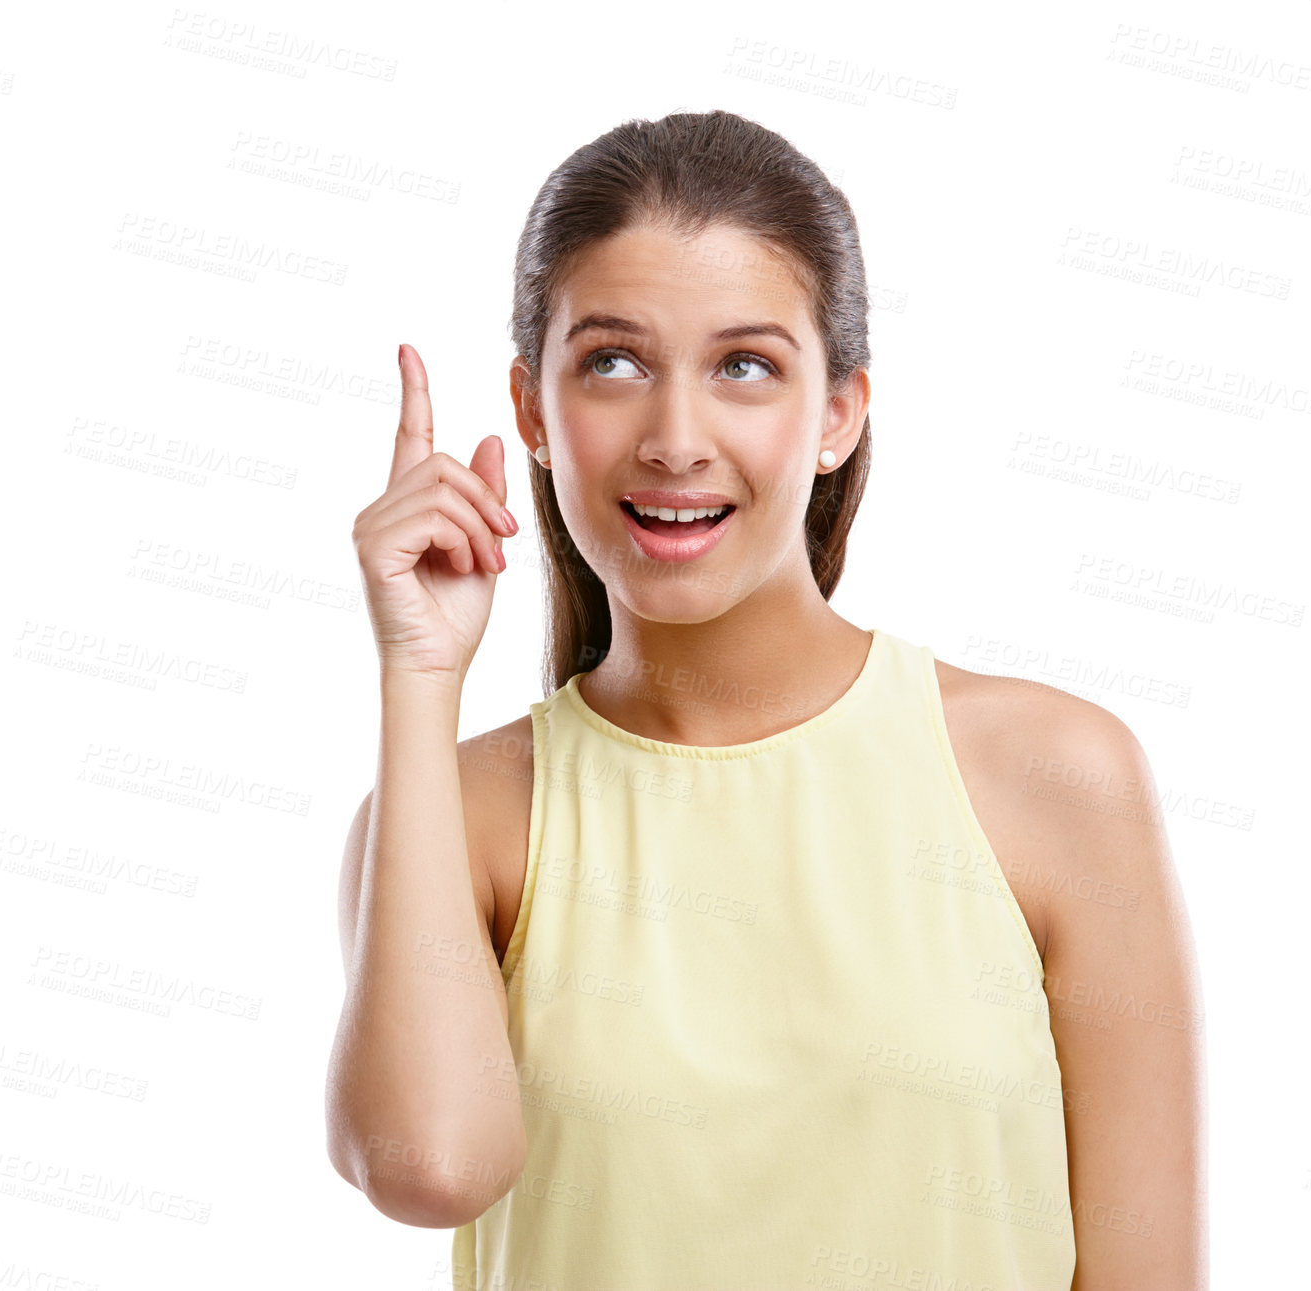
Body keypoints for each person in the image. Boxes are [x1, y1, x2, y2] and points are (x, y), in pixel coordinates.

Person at [325, 109, 1207, 1289]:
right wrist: (418, 679)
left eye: (744, 365)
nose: (676, 439)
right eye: (614, 362)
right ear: (533, 411)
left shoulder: (1052, 776)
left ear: (838, 412)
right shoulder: (459, 815)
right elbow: (429, 1167)